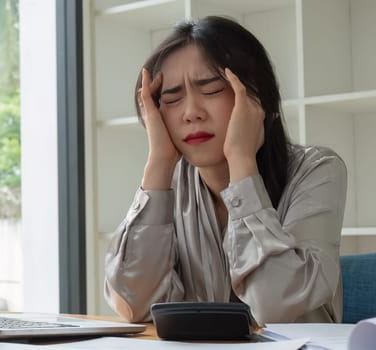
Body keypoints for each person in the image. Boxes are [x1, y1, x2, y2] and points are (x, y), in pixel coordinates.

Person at [103, 16, 347, 325]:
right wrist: (159, 164)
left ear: (260, 98)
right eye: (172, 97)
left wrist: (241, 162)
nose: (191, 112)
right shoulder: (171, 185)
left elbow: (275, 308)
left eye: (213, 90)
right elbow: (132, 305)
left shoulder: (317, 170)